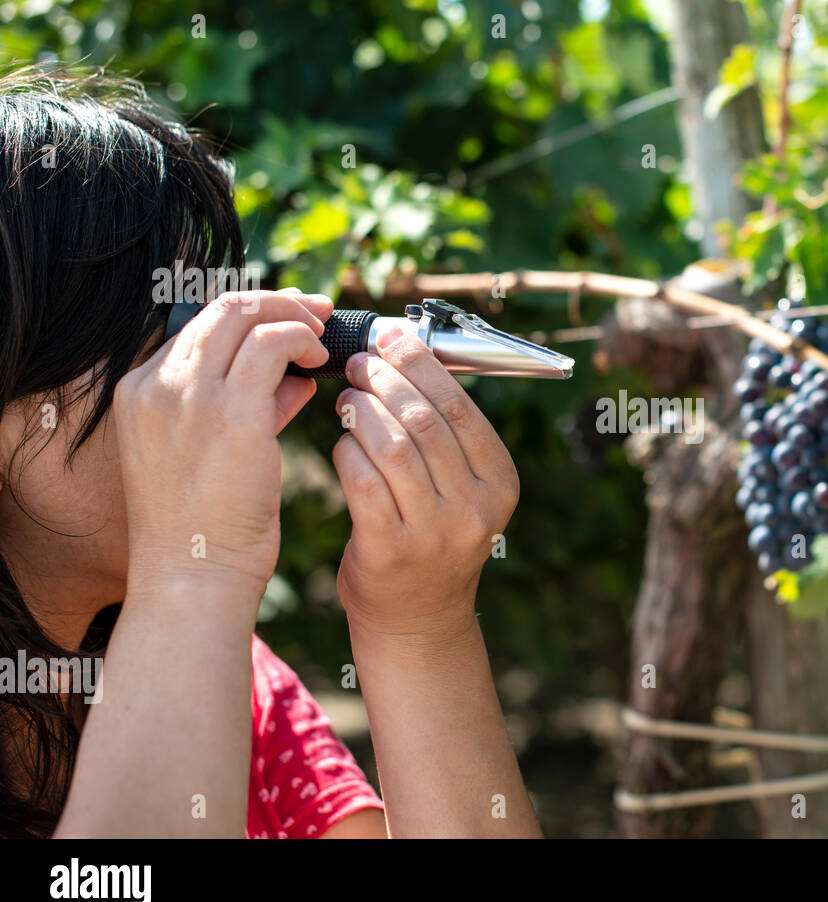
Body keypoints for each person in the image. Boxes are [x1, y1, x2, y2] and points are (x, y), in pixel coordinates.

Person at [0, 65, 540, 838]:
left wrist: (419, 630)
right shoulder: (195, 630)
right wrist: (192, 576)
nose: (203, 373)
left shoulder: (233, 684)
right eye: (162, 324)